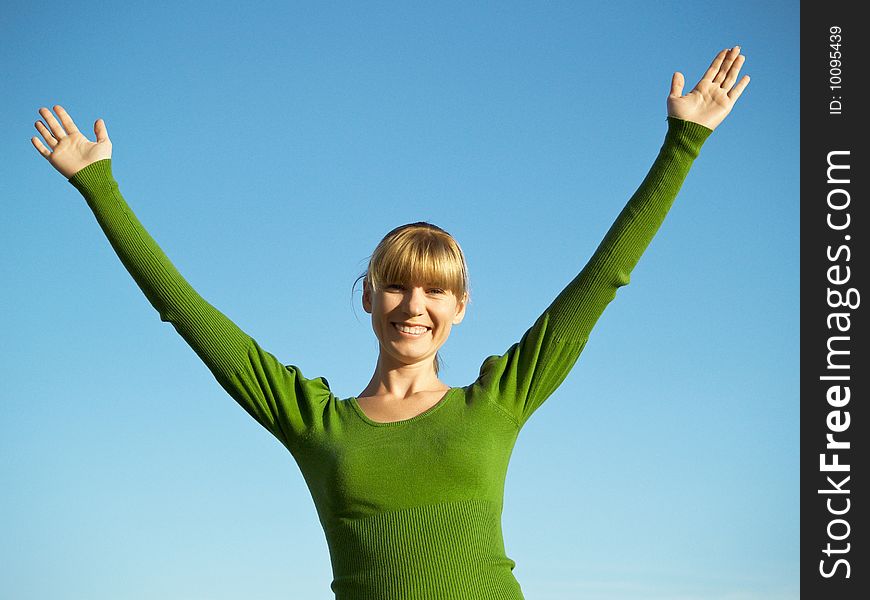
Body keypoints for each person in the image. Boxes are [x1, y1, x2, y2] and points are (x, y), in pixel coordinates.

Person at [32, 47, 749, 600]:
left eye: (436, 292)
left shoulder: (499, 401)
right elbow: (185, 311)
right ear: (368, 298)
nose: (415, 306)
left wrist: (681, 145)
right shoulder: (314, 421)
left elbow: (601, 281)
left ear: (459, 308)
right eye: (397, 287)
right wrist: (100, 188)